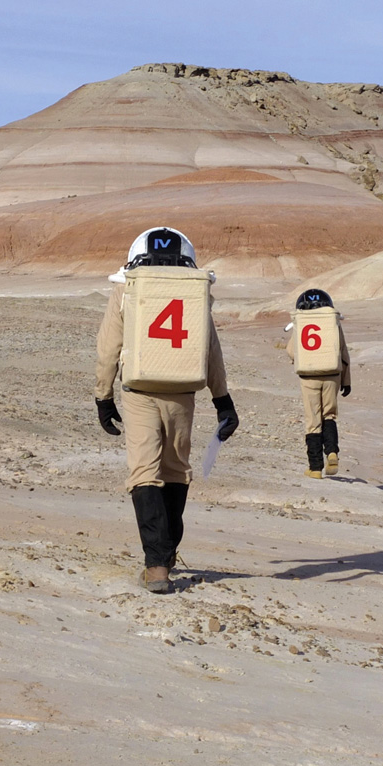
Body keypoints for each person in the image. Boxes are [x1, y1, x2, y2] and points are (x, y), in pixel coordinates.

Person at [94, 226, 239, 593]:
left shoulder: (126, 288)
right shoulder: (194, 292)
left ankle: (156, 563)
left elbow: (108, 346)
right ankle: (167, 552)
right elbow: (210, 348)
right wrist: (222, 400)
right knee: (176, 470)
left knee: (144, 472)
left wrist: (103, 395)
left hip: (139, 389)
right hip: (182, 391)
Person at [285, 287, 351, 478]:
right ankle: (332, 452)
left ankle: (315, 468)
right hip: (332, 375)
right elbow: (343, 353)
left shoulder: (302, 323)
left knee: (313, 421)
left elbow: (291, 350)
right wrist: (346, 380)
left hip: (308, 377)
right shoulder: (333, 324)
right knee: (329, 415)